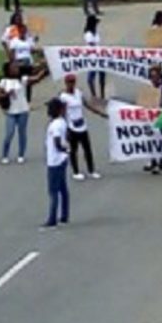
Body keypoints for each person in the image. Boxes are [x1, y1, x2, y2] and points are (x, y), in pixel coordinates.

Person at [60, 75, 99, 180]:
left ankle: (91, 170)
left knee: (87, 148)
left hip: (82, 124)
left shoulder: (78, 92)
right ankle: (76, 171)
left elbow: (87, 105)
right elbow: (63, 114)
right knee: (74, 150)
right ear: (66, 83)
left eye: (73, 82)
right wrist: (64, 129)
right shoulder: (63, 97)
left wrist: (101, 113)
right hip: (72, 126)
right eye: (69, 82)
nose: (71, 84)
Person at [42, 98, 71, 229]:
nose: (48, 110)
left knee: (53, 191)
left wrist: (64, 149)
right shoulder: (62, 122)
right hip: (61, 159)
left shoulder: (55, 125)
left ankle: (52, 218)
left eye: (50, 108)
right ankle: (64, 215)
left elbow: (57, 143)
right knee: (63, 189)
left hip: (55, 161)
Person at [0, 61, 32, 164]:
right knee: (9, 133)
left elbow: (36, 79)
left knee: (22, 133)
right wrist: (6, 94)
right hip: (10, 111)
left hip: (23, 110)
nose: (16, 69)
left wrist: (46, 68)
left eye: (17, 67)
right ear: (8, 70)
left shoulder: (22, 79)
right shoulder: (4, 81)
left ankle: (21, 154)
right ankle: (5, 155)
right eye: (14, 68)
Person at [83, 14, 106, 98]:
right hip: (92, 57)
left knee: (102, 76)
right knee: (90, 77)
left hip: (100, 56)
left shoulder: (95, 32)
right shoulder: (88, 34)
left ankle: (102, 94)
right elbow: (91, 44)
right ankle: (94, 95)